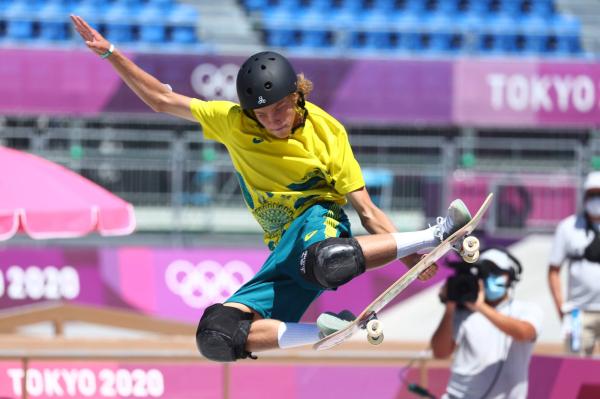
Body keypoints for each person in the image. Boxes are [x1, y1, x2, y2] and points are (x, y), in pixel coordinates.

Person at [71, 15, 473, 362]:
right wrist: (110, 54)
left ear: (298, 95)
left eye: (281, 108)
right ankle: (324, 331)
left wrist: (414, 254)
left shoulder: (328, 134)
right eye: (263, 114)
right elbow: (162, 99)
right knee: (218, 334)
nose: (274, 120)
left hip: (318, 221)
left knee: (326, 258)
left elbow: (366, 211)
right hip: (281, 248)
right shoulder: (233, 122)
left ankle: (439, 231)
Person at [431, 248, 543, 399]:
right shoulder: (463, 311)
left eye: (496, 271)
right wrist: (450, 304)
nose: (490, 277)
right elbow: (440, 352)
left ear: (510, 276)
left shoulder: (527, 309)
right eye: (485, 272)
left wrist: (480, 307)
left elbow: (524, 333)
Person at [548, 171, 600, 356]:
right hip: (579, 312)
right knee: (575, 367)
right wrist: (562, 309)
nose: (597, 200)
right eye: (593, 195)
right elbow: (553, 270)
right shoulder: (568, 227)